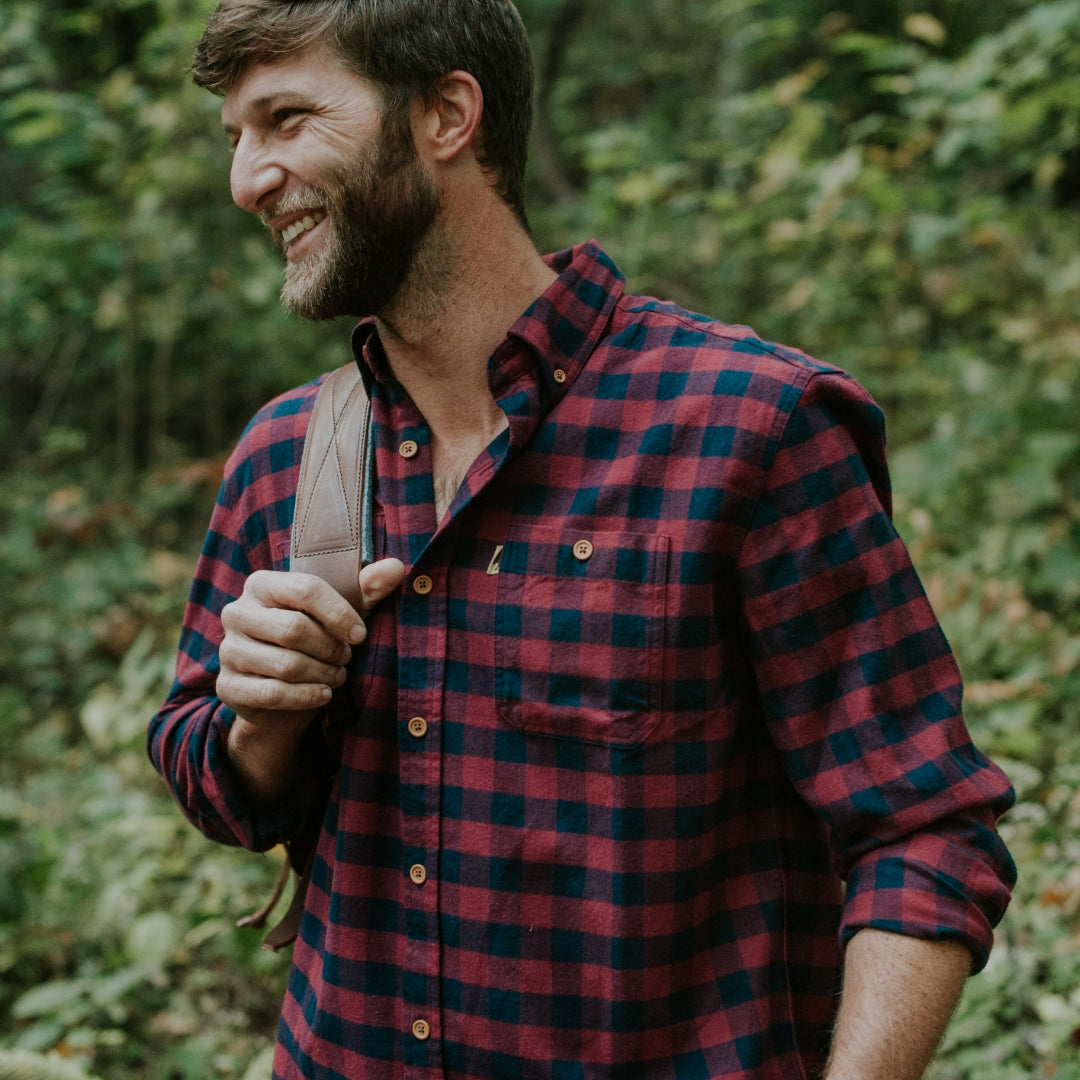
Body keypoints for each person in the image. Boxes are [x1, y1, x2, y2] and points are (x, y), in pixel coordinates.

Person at [148, 2, 1016, 1078]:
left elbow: (924, 828)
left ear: (445, 114)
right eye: (236, 136)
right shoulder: (289, 452)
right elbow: (205, 769)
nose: (249, 177)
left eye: (285, 118)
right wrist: (258, 721)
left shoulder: (748, 426)